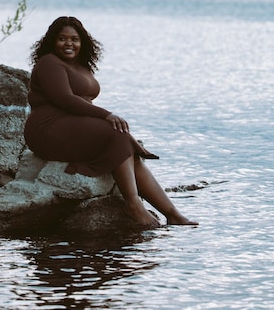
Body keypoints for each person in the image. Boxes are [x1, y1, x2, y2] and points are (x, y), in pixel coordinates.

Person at [24, 16, 198, 229]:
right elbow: (65, 100)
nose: (69, 43)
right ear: (52, 41)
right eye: (62, 38)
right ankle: (133, 204)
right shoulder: (49, 62)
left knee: (124, 146)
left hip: (70, 124)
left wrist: (123, 133)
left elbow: (80, 104)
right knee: (116, 135)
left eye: (74, 39)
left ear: (83, 42)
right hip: (47, 129)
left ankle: (172, 213)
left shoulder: (80, 65)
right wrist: (107, 115)